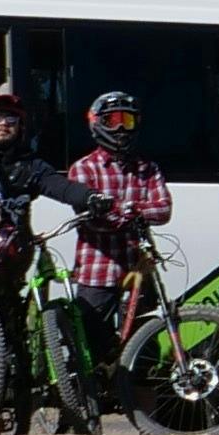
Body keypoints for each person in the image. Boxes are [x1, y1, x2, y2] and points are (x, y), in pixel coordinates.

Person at [0, 90, 88, 431]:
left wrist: (93, 198)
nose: (3, 125)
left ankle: (12, 412)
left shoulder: (30, 165)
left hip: (10, 264)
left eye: (11, 120)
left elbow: (60, 186)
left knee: (11, 341)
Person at [59, 92, 176, 348]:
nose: (122, 127)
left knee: (144, 348)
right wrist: (137, 212)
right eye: (113, 120)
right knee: (91, 347)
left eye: (129, 121)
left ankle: (133, 387)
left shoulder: (148, 167)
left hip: (138, 268)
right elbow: (92, 221)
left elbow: (164, 210)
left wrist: (122, 210)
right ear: (97, 123)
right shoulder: (83, 168)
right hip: (97, 270)